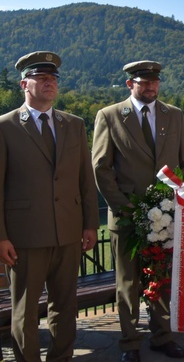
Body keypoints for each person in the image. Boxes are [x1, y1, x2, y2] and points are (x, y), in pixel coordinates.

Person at [0, 51, 99, 361]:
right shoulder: (5, 126)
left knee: (65, 307)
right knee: (25, 312)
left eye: (53, 78)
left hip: (68, 233)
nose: (49, 82)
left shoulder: (74, 124)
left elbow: (86, 179)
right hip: (24, 237)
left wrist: (90, 224)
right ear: (24, 84)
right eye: (41, 78)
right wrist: (1, 236)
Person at [92, 60, 184, 362]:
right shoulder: (109, 116)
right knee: (128, 283)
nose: (150, 87)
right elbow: (101, 167)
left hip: (165, 215)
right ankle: (129, 343)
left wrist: (175, 199)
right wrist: (128, 209)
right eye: (143, 81)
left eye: (155, 81)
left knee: (161, 279)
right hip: (127, 217)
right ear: (129, 84)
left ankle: (162, 337)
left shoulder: (173, 116)